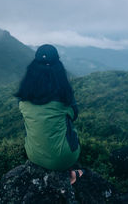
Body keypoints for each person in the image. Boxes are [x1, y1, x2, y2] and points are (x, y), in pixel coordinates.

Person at [15, 44, 83, 184]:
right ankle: (70, 173)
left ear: (33, 68)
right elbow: (74, 115)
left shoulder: (23, 100)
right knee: (69, 127)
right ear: (58, 67)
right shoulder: (63, 97)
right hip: (64, 159)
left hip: (34, 156)